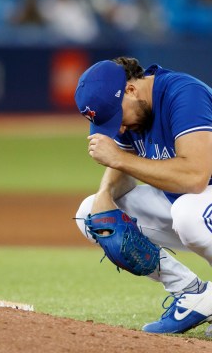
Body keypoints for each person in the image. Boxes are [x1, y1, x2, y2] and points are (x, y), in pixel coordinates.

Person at [74, 57, 212, 334]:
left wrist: (119, 160)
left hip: (197, 199)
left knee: (188, 214)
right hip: (196, 202)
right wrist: (105, 194)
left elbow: (195, 177)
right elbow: (123, 164)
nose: (120, 130)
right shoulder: (135, 113)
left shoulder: (184, 94)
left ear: (131, 90)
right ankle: (191, 292)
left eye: (117, 119)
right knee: (91, 214)